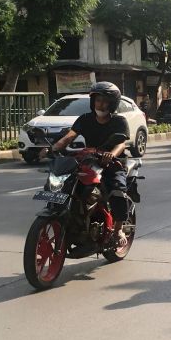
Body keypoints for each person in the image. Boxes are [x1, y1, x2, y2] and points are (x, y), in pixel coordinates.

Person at [51, 82, 131, 247]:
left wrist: (112, 155)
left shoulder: (119, 121)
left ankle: (118, 229)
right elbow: (69, 137)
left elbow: (121, 144)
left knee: (117, 190)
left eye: (105, 101)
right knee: (66, 182)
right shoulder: (84, 119)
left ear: (112, 103)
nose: (100, 104)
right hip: (88, 160)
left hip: (112, 163)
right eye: (98, 100)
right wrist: (53, 148)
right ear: (93, 101)